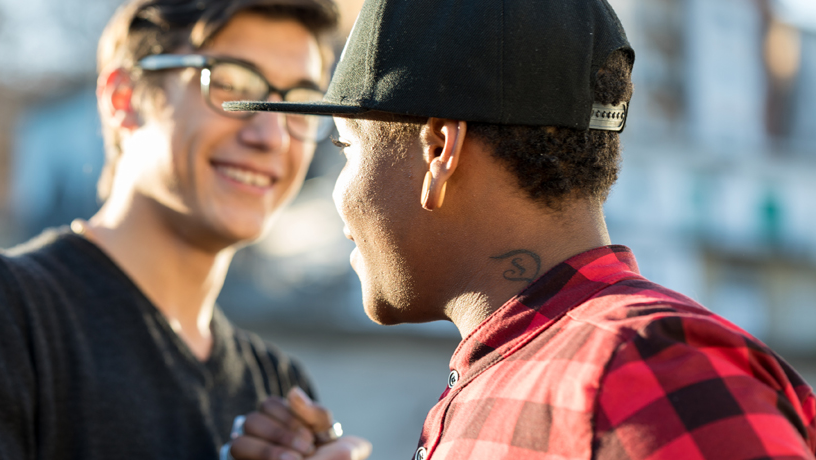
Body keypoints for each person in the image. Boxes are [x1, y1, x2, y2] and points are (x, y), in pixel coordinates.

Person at [227, 0, 816, 458]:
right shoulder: (524, 364)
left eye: (345, 149)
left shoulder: (638, 373)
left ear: (438, 151)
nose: (339, 191)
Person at [0, 0, 371, 459]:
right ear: (124, 100)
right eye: (231, 84)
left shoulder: (277, 393)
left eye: (298, 104)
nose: (272, 136)